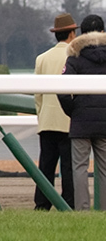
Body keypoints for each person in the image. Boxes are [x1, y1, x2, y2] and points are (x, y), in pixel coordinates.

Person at [59, 14, 106, 211]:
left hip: (81, 121)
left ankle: (82, 211)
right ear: (103, 32)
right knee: (104, 170)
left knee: (79, 168)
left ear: (81, 34)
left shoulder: (74, 58)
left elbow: (61, 91)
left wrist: (74, 111)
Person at [33, 13, 77, 210]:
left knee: (46, 167)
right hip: (69, 122)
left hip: (47, 121)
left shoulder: (42, 58)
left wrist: (41, 116)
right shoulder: (75, 56)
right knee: (68, 168)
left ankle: (42, 205)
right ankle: (68, 205)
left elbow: (38, 95)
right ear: (72, 34)